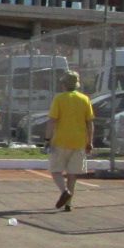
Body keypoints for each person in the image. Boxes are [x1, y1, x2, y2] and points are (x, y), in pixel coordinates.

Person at [46, 70, 95, 211]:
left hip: (61, 140)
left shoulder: (59, 99)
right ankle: (68, 203)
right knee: (72, 174)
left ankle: (64, 192)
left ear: (64, 84)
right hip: (79, 141)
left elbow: (52, 120)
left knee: (56, 171)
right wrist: (89, 141)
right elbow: (90, 123)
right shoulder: (84, 99)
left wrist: (47, 138)